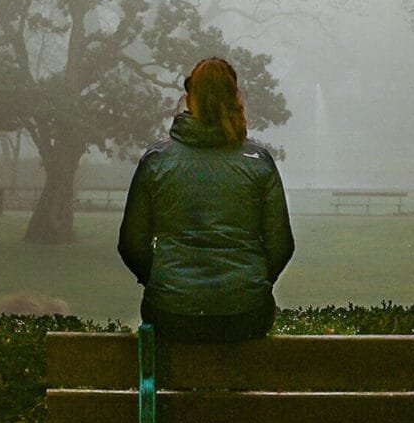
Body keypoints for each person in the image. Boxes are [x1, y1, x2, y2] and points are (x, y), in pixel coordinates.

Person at [117, 57, 294, 342]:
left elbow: (131, 244)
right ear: (236, 98)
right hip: (246, 315)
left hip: (171, 314)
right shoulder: (258, 162)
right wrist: (251, 285)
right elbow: (281, 246)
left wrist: (166, 283)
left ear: (189, 99)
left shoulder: (157, 162)